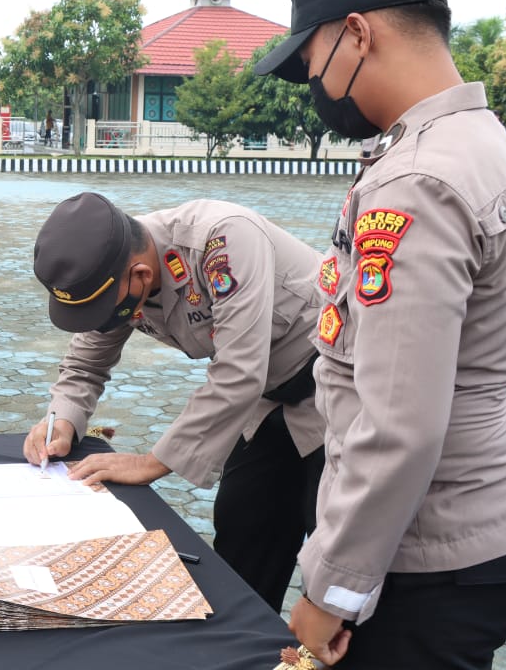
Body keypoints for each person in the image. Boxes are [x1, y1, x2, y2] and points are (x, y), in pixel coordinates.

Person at [254, 0, 506, 667]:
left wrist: (331, 589)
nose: (315, 85)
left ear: (358, 33)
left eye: (313, 62)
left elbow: (399, 425)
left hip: (435, 544)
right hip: (483, 513)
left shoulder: (418, 180)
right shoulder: (479, 141)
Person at [23, 191, 325, 613]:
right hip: (265, 403)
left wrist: (151, 463)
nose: (100, 323)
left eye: (103, 313)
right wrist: (62, 421)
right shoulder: (111, 271)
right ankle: (248, 643)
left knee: (332, 555)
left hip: (337, 397)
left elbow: (239, 371)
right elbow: (85, 363)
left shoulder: (222, 242)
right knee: (244, 536)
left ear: (141, 275)